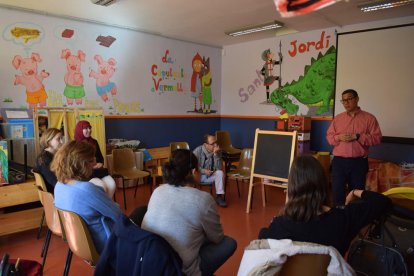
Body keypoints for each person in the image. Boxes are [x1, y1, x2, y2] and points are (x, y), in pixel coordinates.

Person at [258, 155, 391, 256]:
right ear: (323, 183)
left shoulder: (280, 225)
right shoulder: (344, 218)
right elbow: (382, 201)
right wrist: (355, 191)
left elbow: (263, 243)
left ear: (292, 188)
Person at [141, 149, 237, 276]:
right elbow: (217, 237)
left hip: (148, 262)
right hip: (178, 270)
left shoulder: (158, 190)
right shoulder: (204, 200)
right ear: (193, 172)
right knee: (229, 243)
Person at [52, 140, 123, 253]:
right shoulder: (87, 189)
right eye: (91, 161)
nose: (94, 165)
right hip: (105, 245)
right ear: (82, 163)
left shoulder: (59, 186)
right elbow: (118, 216)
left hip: (78, 244)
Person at [326, 89, 382, 206]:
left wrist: (358, 136)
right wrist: (339, 137)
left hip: (359, 162)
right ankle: (338, 216)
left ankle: (354, 217)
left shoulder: (369, 118)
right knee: (337, 192)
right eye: (343, 100)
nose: (346, 103)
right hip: (339, 162)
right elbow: (329, 137)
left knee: (356, 193)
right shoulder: (338, 118)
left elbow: (377, 139)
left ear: (356, 99)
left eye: (349, 99)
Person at [74, 120, 116, 198]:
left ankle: (107, 204)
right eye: (86, 128)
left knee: (112, 184)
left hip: (98, 171)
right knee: (101, 186)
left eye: (90, 128)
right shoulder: (75, 145)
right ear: (80, 130)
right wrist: (91, 166)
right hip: (85, 174)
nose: (89, 130)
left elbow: (100, 157)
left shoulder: (94, 142)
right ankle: (102, 207)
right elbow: (77, 164)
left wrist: (100, 163)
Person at [193, 134, 227, 207]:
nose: (215, 145)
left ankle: (219, 196)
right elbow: (192, 167)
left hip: (211, 175)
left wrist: (215, 155)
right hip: (199, 176)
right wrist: (203, 171)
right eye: (212, 144)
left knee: (220, 173)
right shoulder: (197, 151)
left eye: (216, 142)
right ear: (206, 145)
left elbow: (219, 168)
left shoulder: (218, 151)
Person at [34, 128, 64, 193]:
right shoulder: (44, 159)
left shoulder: (54, 155)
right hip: (55, 193)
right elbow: (55, 182)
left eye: (62, 138)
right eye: (58, 139)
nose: (62, 142)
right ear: (49, 141)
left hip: (58, 190)